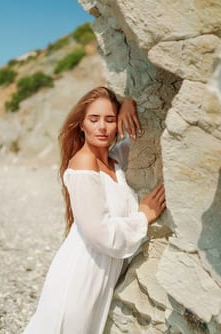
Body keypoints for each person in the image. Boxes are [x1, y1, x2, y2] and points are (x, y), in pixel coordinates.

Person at [23, 86, 166, 334]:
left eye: (110, 119)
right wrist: (144, 216)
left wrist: (129, 102)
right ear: (81, 124)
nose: (102, 127)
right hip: (80, 276)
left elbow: (141, 137)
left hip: (100, 276)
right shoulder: (83, 162)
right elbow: (101, 233)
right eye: (94, 119)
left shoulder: (116, 160)